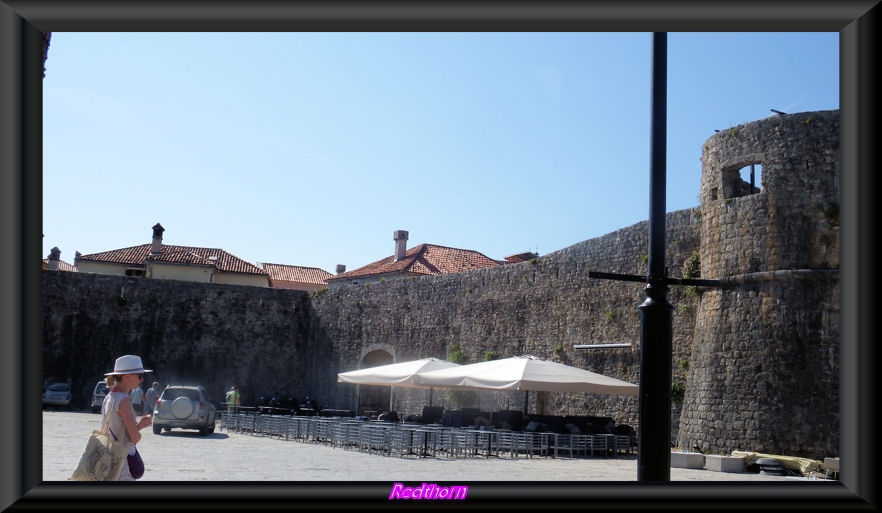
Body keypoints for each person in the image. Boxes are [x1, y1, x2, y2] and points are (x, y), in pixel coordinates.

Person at [102, 354, 154, 481]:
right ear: (127, 376)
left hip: (107, 459)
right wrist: (139, 430)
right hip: (122, 465)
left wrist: (139, 425)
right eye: (140, 376)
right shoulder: (124, 400)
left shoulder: (110, 396)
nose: (141, 380)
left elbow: (119, 431)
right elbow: (133, 438)